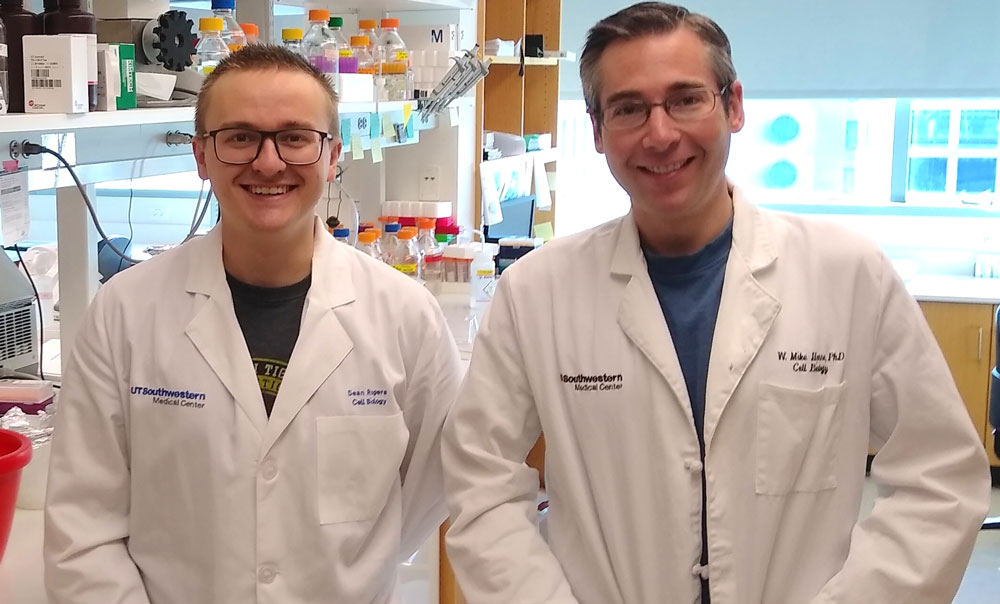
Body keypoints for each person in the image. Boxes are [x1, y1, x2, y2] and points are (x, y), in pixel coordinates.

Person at [441, 3, 992, 603]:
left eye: (685, 99)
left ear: (733, 107)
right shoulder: (537, 294)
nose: (660, 133)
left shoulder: (848, 276)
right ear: (597, 133)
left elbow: (939, 478)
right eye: (628, 108)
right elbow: (480, 484)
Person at [44, 44, 462, 604]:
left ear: (332, 154)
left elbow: (427, 493)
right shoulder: (125, 312)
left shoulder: (406, 316)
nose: (268, 162)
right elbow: (83, 526)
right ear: (201, 155)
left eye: (295, 137)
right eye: (240, 137)